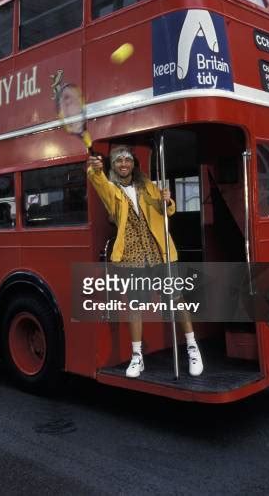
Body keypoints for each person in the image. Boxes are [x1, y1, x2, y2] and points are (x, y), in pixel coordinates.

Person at [87, 145, 203, 378]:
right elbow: (97, 180)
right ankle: (137, 356)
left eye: (127, 160)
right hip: (132, 255)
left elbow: (166, 211)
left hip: (160, 251)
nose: (123, 164)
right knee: (136, 306)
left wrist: (167, 201)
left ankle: (193, 348)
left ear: (133, 164)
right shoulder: (110, 189)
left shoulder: (148, 184)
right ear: (113, 165)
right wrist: (95, 169)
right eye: (118, 160)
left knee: (177, 299)